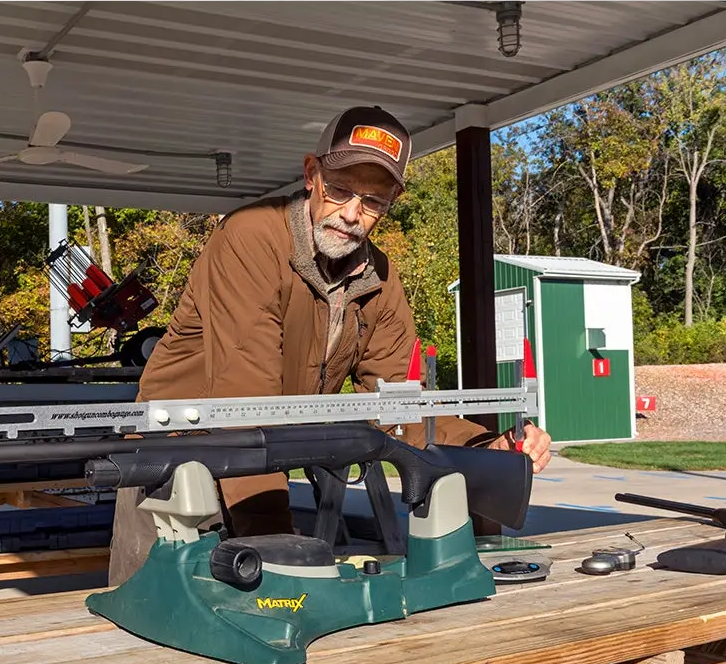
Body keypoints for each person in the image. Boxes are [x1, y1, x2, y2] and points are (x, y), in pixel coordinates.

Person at [108, 105, 555, 586]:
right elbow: (242, 406)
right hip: (174, 470)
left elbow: (401, 405)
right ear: (311, 175)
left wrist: (490, 448)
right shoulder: (250, 237)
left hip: (260, 456)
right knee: (154, 637)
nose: (351, 214)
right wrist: (278, 553)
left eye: (373, 201)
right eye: (339, 189)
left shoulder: (380, 277)